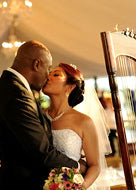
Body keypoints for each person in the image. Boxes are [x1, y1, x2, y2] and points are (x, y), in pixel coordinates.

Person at [0, 41, 86, 190]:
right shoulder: (17, 94)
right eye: (48, 69)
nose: (48, 76)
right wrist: (78, 166)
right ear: (36, 65)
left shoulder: (13, 87)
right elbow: (42, 152)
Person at [42, 63, 111, 189]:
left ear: (70, 87)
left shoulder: (84, 121)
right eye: (49, 73)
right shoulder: (38, 117)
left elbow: (95, 165)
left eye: (56, 74)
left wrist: (78, 187)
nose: (47, 77)